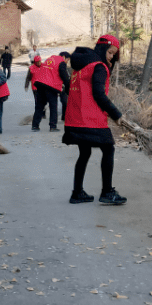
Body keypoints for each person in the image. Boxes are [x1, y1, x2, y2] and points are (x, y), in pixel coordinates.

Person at [62, 34, 127, 205]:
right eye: (110, 52)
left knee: (85, 152)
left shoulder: (81, 65)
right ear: (103, 48)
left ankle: (77, 193)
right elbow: (98, 94)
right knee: (109, 149)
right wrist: (116, 114)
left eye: (114, 54)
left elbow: (70, 88)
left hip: (75, 117)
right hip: (90, 119)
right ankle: (107, 192)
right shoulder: (98, 67)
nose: (111, 56)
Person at [32, 51, 70, 132]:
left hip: (40, 84)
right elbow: (64, 75)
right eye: (68, 60)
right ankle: (53, 126)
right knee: (53, 106)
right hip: (50, 86)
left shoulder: (50, 59)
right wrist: (68, 88)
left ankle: (35, 125)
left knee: (39, 106)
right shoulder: (61, 62)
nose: (67, 62)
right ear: (64, 57)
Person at [57, 51, 72, 115]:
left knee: (64, 101)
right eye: (67, 59)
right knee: (65, 101)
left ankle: (64, 116)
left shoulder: (57, 63)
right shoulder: (62, 64)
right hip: (61, 86)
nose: (67, 61)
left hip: (58, 86)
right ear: (63, 57)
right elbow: (65, 77)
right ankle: (65, 116)